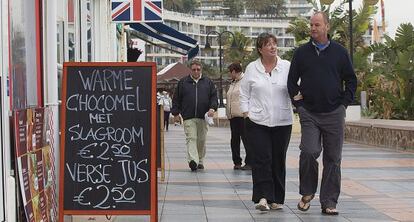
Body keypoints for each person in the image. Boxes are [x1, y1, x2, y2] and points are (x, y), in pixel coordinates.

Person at [287, 11, 357, 215]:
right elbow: (291, 82)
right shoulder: (301, 53)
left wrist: (344, 104)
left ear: (327, 27)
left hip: (334, 112)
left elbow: (351, 80)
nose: (313, 28)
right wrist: (298, 105)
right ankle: (307, 192)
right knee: (309, 151)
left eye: (317, 25)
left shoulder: (340, 52)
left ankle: (329, 202)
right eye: (311, 25)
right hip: (309, 112)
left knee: (333, 159)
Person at [240, 33, 293, 211]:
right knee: (262, 158)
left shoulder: (286, 66)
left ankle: (276, 199)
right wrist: (246, 113)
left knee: (278, 159)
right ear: (260, 49)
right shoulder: (252, 68)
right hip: (257, 121)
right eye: (267, 44)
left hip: (282, 121)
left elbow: (296, 87)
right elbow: (244, 93)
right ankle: (262, 197)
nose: (272, 47)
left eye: (274, 43)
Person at [171, 60, 218, 171]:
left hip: (203, 116)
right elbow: (176, 99)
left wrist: (212, 108)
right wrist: (176, 113)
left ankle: (200, 160)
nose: (196, 71)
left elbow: (213, 97)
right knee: (191, 138)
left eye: (198, 69)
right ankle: (193, 161)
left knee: (201, 140)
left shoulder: (208, 82)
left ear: (201, 69)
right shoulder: (183, 82)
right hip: (188, 117)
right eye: (194, 69)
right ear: (190, 70)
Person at [226, 62, 251, 170]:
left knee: (247, 140)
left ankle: (250, 162)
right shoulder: (233, 82)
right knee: (234, 140)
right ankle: (237, 162)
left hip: (243, 116)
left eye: (230, 72)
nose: (229, 74)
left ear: (234, 71)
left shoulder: (245, 81)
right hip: (233, 117)